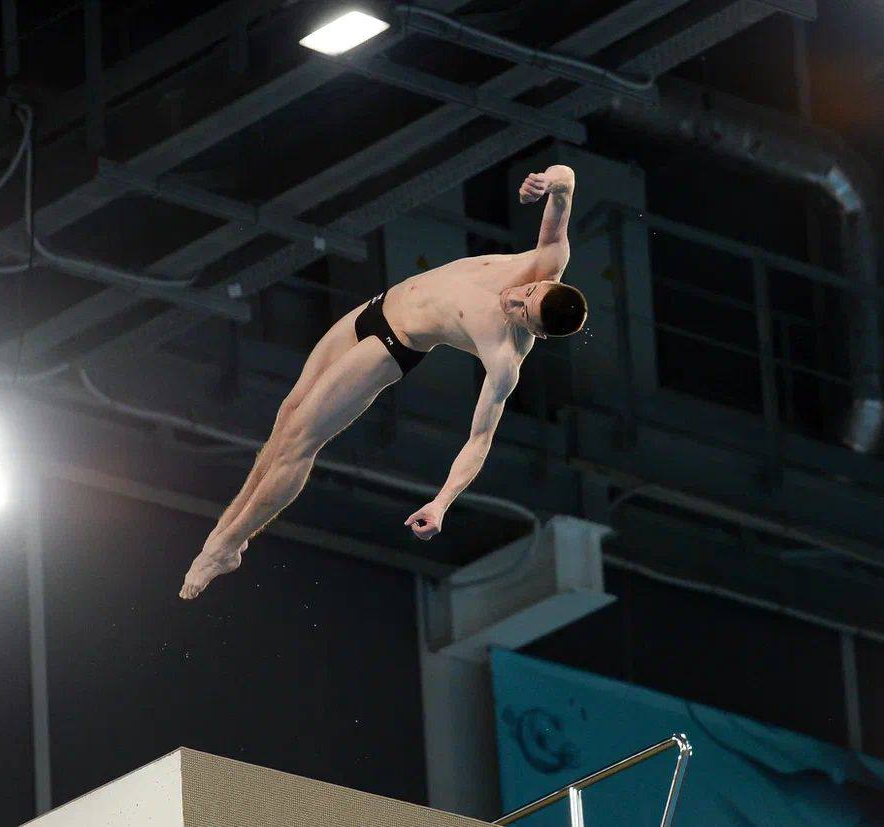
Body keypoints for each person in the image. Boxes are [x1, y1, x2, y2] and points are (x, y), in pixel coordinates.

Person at [180, 165, 585, 599]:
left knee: (301, 440)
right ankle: (228, 536)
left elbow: (480, 438)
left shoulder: (506, 356)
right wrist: (547, 180)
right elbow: (567, 182)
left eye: (523, 312)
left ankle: (223, 547)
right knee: (286, 418)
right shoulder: (546, 260)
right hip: (376, 308)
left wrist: (442, 502)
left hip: (393, 345)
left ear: (536, 332)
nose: (514, 298)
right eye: (527, 293)